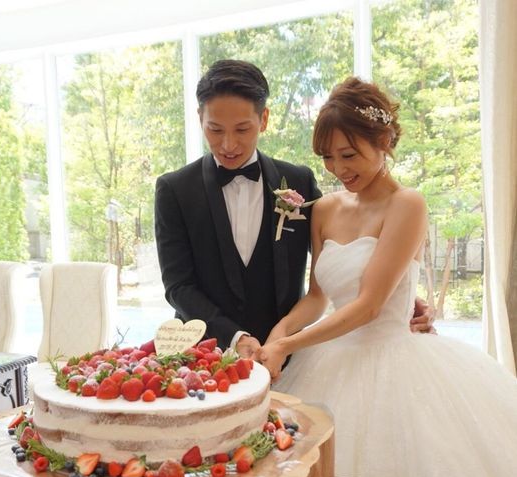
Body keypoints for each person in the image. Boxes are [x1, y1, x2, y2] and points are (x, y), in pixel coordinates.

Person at [258, 76, 517, 477]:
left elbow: (369, 305)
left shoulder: (407, 204)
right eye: (328, 158)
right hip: (329, 362)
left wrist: (287, 343)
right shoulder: (325, 208)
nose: (339, 169)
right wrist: (277, 335)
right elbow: (318, 296)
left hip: (396, 361)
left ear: (383, 141)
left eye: (349, 155)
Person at [155, 60, 433, 357]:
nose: (228, 144)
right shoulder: (174, 189)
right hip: (205, 356)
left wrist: (401, 294)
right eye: (215, 129)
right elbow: (178, 286)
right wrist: (236, 337)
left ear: (263, 119)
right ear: (200, 118)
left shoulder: (300, 183)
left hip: (287, 360)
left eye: (242, 129)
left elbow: (351, 264)